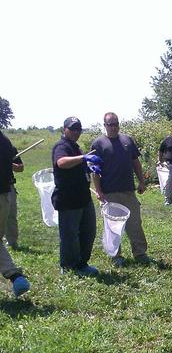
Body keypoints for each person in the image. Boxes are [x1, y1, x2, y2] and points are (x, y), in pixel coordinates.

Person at [91, 112, 152, 267]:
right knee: (112, 226)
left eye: (116, 123)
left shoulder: (127, 140)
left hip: (128, 191)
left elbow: (135, 162)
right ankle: (116, 255)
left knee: (135, 223)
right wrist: (98, 190)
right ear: (104, 126)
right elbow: (95, 170)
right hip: (109, 193)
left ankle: (140, 253)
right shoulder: (98, 144)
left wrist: (141, 181)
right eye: (110, 124)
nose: (113, 127)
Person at [51, 117, 101, 276]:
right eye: (72, 129)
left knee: (88, 231)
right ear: (64, 129)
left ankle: (82, 263)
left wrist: (91, 167)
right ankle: (68, 266)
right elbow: (62, 162)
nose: (76, 132)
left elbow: (79, 166)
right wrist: (83, 157)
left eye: (78, 129)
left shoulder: (75, 147)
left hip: (83, 197)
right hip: (68, 198)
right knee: (70, 235)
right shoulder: (61, 146)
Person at [0, 130, 30, 296]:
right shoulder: (4, 141)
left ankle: (15, 276)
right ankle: (16, 276)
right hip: (3, 196)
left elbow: (19, 167)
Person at [4, 144, 24, 250]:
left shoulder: (8, 147)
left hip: (7, 186)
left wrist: (8, 164)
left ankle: (12, 242)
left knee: (10, 215)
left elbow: (20, 168)